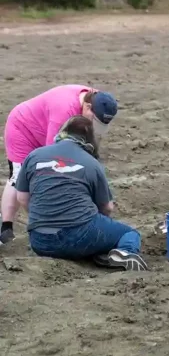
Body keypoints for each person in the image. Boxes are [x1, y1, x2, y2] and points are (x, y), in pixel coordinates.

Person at [15, 115, 147, 271]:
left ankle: (97, 249)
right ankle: (124, 252)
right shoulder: (92, 163)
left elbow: (22, 198)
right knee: (130, 234)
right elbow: (107, 207)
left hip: (39, 241)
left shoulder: (34, 156)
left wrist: (44, 217)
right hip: (77, 236)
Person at [3, 85, 118, 245]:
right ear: (88, 107)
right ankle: (6, 227)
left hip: (44, 125)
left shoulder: (99, 100)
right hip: (23, 127)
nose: (94, 126)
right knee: (18, 176)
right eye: (94, 120)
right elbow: (53, 155)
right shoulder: (64, 110)